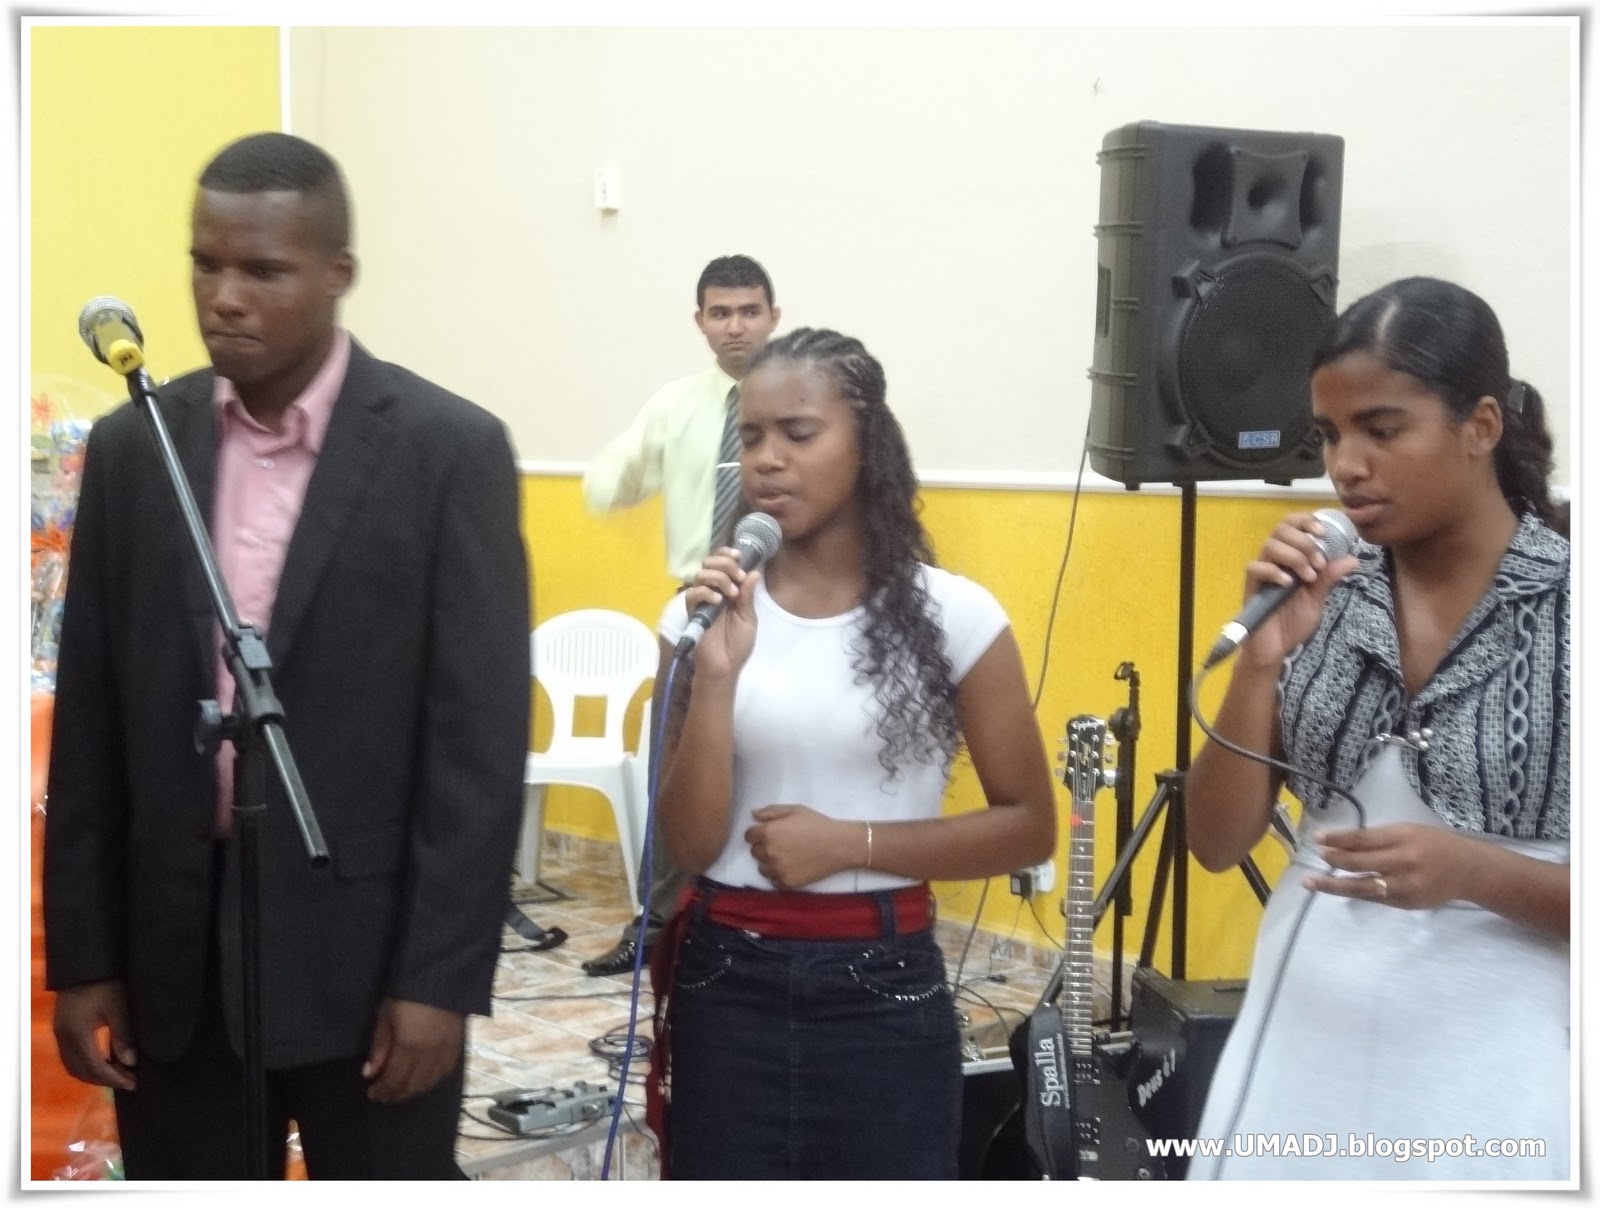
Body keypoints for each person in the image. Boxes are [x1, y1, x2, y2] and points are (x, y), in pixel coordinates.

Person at [43, 132, 531, 1180]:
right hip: (174, 959)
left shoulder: (446, 451)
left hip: (370, 960)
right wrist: (84, 957)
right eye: (205, 264)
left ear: (337, 273)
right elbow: (90, 718)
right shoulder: (137, 446)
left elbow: (478, 747)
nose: (224, 297)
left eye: (263, 270)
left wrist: (439, 979)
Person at [642, 327, 1057, 1179]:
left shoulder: (956, 617)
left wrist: (850, 844)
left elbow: (1029, 826)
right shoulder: (698, 618)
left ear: (867, 446)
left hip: (883, 986)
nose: (768, 459)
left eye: (798, 433)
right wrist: (714, 678)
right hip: (726, 978)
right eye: (752, 436)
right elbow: (687, 843)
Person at [1183, 277, 1569, 1180]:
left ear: (1480, 426)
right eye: (1330, 434)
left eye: (1382, 430)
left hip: (1493, 1078)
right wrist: (1261, 661)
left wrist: (1474, 871)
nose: (1346, 464)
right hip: (1299, 1061)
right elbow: (1215, 842)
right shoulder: (1324, 590)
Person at [579, 254, 782, 977]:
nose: (736, 326)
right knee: (671, 764)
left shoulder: (803, 396)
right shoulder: (674, 405)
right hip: (694, 612)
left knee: (769, 764)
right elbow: (618, 474)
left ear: (774, 317)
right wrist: (608, 480)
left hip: (784, 610)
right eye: (720, 313)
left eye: (749, 311)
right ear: (700, 322)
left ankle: (752, 924)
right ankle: (658, 924)